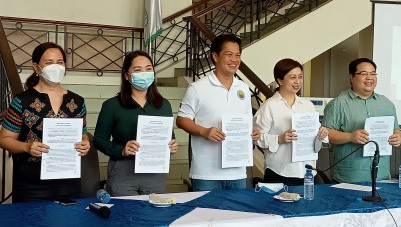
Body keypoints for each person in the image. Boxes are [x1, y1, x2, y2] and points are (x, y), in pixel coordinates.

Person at [0, 42, 90, 203]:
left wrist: (85, 142)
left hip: (68, 181)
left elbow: (83, 134)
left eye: (60, 62)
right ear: (36, 67)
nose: (55, 67)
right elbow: (4, 139)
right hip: (31, 184)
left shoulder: (77, 102)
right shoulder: (22, 101)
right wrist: (26, 146)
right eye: (49, 63)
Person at [176, 33, 260, 191]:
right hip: (207, 174)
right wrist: (204, 131)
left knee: (237, 215)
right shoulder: (198, 88)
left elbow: (247, 121)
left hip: (238, 172)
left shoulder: (243, 88)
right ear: (215, 56)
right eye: (229, 54)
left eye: (237, 55)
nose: (234, 60)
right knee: (205, 215)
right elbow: (181, 120)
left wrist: (253, 132)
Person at [93, 51, 178, 196]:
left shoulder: (164, 105)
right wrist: (121, 149)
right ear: (127, 75)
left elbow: (169, 135)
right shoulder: (112, 105)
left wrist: (172, 145)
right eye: (138, 70)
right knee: (124, 215)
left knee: (153, 215)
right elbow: (99, 140)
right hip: (123, 171)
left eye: (148, 69)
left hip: (154, 172)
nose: (144, 73)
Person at [323, 58, 401, 183]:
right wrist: (350, 137)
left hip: (381, 175)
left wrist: (397, 136)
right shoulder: (338, 104)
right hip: (350, 176)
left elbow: (396, 128)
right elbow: (326, 134)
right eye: (364, 74)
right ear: (351, 77)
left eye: (373, 73)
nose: (369, 77)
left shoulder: (386, 103)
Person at [253, 58, 329, 186]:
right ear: (279, 80)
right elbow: (257, 138)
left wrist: (322, 132)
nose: (298, 81)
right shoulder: (269, 107)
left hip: (308, 172)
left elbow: (317, 132)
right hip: (279, 172)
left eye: (300, 77)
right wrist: (279, 139)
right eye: (292, 77)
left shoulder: (307, 105)